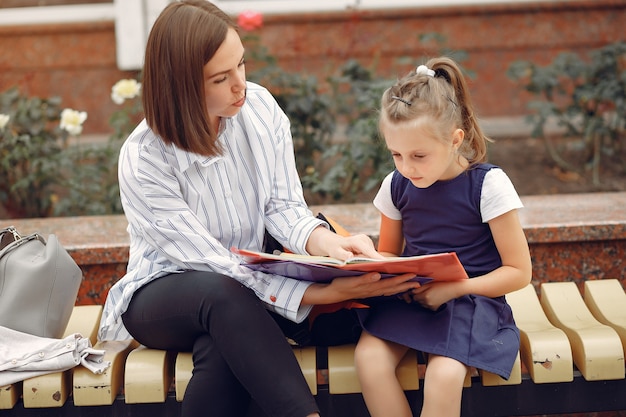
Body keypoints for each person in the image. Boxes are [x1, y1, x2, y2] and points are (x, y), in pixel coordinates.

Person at [97, 2, 419, 417]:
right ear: (179, 86)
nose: (240, 86)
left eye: (241, 65)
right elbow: (212, 264)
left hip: (244, 296)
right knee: (224, 296)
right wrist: (312, 294)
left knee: (225, 346)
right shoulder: (145, 158)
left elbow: (283, 208)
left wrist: (330, 244)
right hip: (163, 294)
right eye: (220, 78)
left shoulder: (261, 110)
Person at [353, 57, 532, 417]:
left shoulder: (488, 185)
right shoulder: (396, 185)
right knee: (368, 359)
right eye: (396, 155)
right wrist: (368, 260)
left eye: (419, 155)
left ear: (455, 140)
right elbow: (390, 252)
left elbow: (518, 271)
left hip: (472, 301)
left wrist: (453, 290)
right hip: (413, 298)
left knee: (444, 374)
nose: (406, 167)